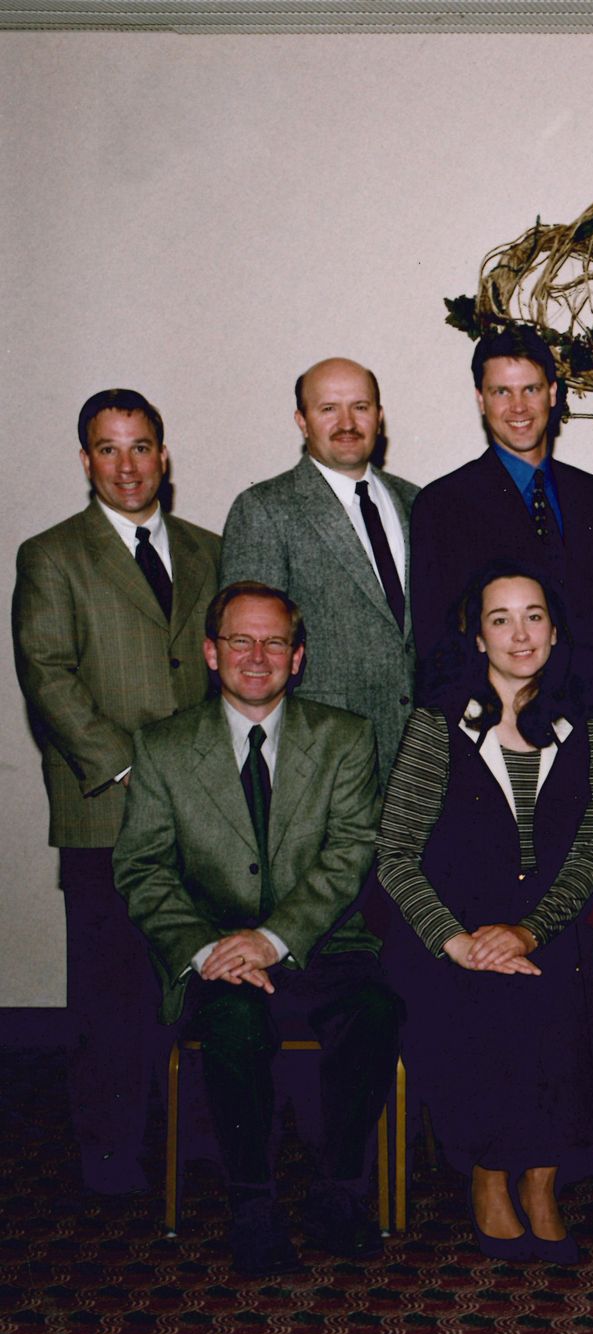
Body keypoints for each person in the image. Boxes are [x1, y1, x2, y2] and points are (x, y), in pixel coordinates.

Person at [113, 582, 400, 1276]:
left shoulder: (346, 737)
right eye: (239, 640)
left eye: (275, 642)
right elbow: (142, 868)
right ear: (211, 652)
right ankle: (254, 1205)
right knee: (234, 1022)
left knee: (375, 1008)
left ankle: (338, 1193)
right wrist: (210, 949)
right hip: (214, 954)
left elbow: (351, 851)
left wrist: (273, 937)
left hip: (321, 943)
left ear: (298, 658)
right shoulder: (162, 746)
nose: (256, 655)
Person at [376, 564, 593, 1264]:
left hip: (548, 926)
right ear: (478, 635)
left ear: (555, 632)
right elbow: (396, 855)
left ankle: (542, 1181)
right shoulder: (438, 725)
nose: (519, 633)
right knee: (489, 992)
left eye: (533, 616)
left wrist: (528, 929)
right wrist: (460, 942)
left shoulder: (585, 725)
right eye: (501, 618)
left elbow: (587, 856)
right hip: (448, 936)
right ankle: (490, 1175)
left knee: (572, 988)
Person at [13, 389, 223, 1195]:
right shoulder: (52, 554)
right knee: (112, 998)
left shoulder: (207, 549)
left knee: (198, 983)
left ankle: (198, 1143)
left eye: (141, 447)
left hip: (203, 813)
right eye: (109, 449)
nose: (127, 464)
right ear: (85, 460)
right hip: (106, 806)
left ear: (163, 456)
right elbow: (49, 678)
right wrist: (138, 771)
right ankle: (108, 1154)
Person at [409, 327, 593, 731]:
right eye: (501, 392)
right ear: (480, 399)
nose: (518, 407)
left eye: (530, 389)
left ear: (553, 393)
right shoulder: (443, 505)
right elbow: (437, 643)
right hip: (492, 731)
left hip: (591, 727)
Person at [221, 357, 418, 777]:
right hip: (321, 759)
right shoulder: (265, 509)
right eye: (328, 408)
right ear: (302, 420)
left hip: (423, 756)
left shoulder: (417, 502)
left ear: (379, 417)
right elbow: (249, 656)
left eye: (360, 407)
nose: (347, 422)